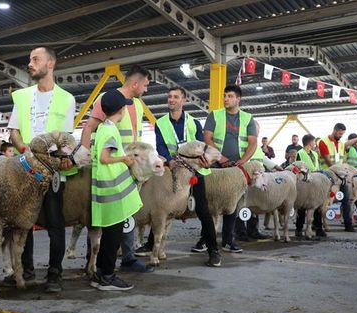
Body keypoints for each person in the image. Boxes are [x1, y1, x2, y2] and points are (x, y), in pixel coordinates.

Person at [6, 46, 76, 293]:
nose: (30, 63)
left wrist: (62, 158)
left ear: (51, 63)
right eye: (29, 59)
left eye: (36, 59)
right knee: (22, 223)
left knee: (55, 222)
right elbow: (13, 131)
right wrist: (24, 149)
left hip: (52, 172)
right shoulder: (22, 97)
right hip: (24, 170)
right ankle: (25, 270)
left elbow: (66, 138)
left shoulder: (67, 99)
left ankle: (54, 274)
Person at [137, 87, 221, 266]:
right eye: (169, 96)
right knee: (161, 205)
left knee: (203, 211)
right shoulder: (161, 123)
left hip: (195, 172)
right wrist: (168, 161)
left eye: (176, 97)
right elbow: (160, 146)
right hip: (172, 170)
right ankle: (151, 244)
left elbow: (201, 146)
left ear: (183, 100)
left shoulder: (193, 122)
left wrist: (205, 161)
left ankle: (213, 250)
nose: (171, 99)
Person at [81, 65, 153, 273]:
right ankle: (92, 260)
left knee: (126, 212)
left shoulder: (138, 105)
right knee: (104, 215)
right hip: (110, 168)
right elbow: (89, 127)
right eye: (145, 85)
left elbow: (136, 138)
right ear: (135, 83)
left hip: (128, 168)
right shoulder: (107, 99)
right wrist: (85, 155)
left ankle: (128, 257)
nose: (146, 90)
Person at [89, 89, 142, 290]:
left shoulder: (102, 128)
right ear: (121, 110)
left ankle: (100, 274)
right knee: (113, 237)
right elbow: (104, 158)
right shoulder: (111, 131)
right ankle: (108, 277)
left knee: (109, 235)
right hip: (112, 191)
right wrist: (124, 159)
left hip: (106, 191)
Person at [203, 85, 265, 253]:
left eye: (229, 96)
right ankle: (205, 239)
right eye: (224, 96)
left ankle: (228, 240)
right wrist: (221, 158)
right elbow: (207, 138)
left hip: (237, 168)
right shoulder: (214, 115)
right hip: (215, 164)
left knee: (233, 204)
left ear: (238, 99)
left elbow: (253, 142)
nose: (225, 99)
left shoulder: (248, 118)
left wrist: (242, 162)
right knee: (209, 203)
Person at [318, 123, 357, 232]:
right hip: (327, 177)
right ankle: (319, 225)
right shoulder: (323, 142)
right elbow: (329, 162)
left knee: (346, 200)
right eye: (339, 133)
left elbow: (343, 161)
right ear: (334, 130)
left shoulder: (342, 144)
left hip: (341, 177)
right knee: (324, 202)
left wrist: (346, 172)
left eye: (342, 134)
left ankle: (348, 224)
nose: (341, 136)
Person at [294, 134, 326, 237]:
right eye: (314, 142)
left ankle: (318, 228)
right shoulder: (300, 153)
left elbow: (318, 166)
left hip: (316, 182)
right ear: (309, 142)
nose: (315, 144)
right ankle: (299, 228)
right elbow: (297, 166)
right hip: (304, 182)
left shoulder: (315, 154)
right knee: (302, 206)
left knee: (316, 205)